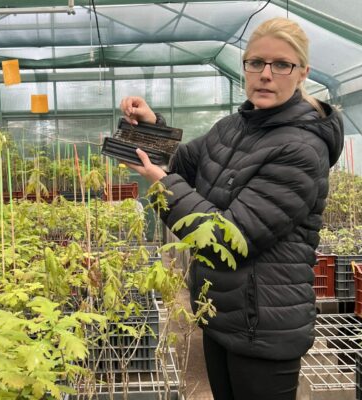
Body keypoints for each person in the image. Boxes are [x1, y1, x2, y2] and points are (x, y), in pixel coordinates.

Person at [120, 17, 344, 400]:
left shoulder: (302, 150)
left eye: (281, 64)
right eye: (255, 63)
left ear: (302, 72)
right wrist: (152, 126)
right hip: (220, 312)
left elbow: (230, 238)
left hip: (265, 326)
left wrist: (162, 185)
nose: (266, 75)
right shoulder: (232, 127)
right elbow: (183, 165)